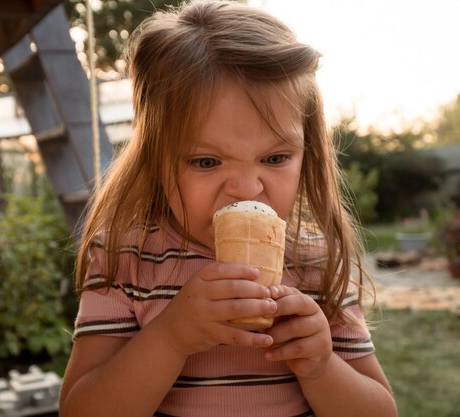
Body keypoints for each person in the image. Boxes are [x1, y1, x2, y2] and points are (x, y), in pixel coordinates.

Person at [59, 1, 397, 416]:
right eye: (206, 162)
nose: (246, 188)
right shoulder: (125, 260)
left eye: (275, 158)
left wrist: (321, 366)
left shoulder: (316, 262)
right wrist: (170, 338)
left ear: (306, 153)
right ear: (155, 160)